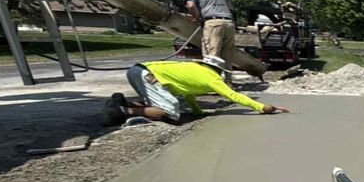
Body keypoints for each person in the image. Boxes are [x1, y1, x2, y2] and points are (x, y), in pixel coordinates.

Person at [103, 57, 289, 125]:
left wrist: (198, 112)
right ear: (219, 71)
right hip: (147, 75)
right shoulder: (212, 78)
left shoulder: (197, 70)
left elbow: (188, 93)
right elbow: (232, 95)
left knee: (162, 101)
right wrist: (261, 106)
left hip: (137, 70)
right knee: (171, 112)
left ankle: (124, 102)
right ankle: (121, 111)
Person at [183, 0, 238, 65]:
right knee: (227, 57)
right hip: (229, 22)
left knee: (211, 57)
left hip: (213, 23)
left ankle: (212, 79)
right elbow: (230, 7)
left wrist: (197, 18)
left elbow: (191, 5)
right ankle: (227, 79)